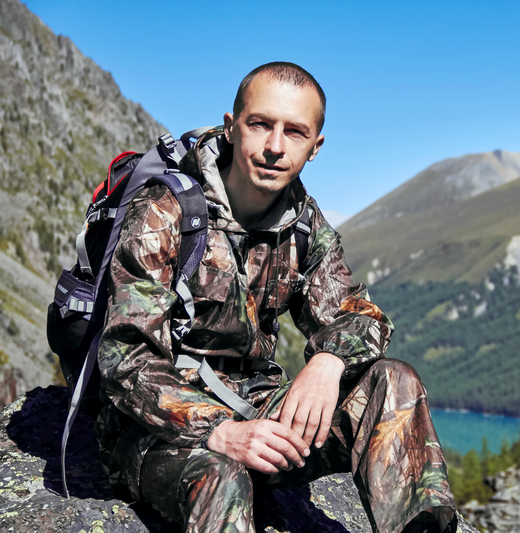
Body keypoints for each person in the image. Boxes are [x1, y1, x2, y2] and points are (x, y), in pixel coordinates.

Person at [94, 62, 455, 533]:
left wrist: (328, 362)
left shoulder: (301, 221)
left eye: (295, 132)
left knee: (393, 381)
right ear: (231, 127)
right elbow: (125, 354)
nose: (275, 147)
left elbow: (360, 315)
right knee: (222, 477)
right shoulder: (165, 212)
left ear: (315, 147)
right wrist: (219, 432)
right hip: (161, 433)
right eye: (260, 124)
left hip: (256, 410)